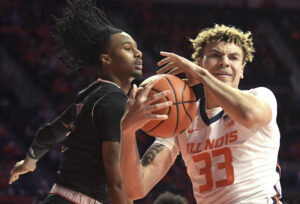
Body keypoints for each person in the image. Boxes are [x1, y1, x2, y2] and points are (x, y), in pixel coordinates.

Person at [120, 24, 282, 204]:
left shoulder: (261, 96)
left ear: (242, 70)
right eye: (215, 55)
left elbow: (249, 116)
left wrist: (201, 74)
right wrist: (127, 132)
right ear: (198, 62)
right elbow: (135, 189)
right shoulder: (183, 117)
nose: (224, 62)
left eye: (234, 57)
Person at [9, 0, 143, 203]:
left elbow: (48, 134)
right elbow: (115, 182)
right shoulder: (115, 102)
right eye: (128, 48)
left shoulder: (89, 94)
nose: (138, 53)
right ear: (106, 59)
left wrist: (29, 162)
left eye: (137, 48)